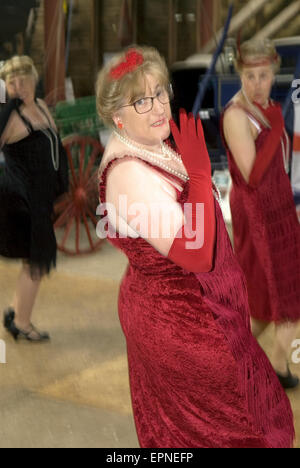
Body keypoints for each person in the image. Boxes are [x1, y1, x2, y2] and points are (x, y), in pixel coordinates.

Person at [97, 45, 295, 448]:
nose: (157, 107)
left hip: (196, 306)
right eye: (141, 100)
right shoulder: (127, 175)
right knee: (224, 427)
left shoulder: (150, 145)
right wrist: (202, 176)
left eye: (160, 92)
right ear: (117, 116)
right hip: (180, 320)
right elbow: (195, 252)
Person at [221, 39, 300, 389]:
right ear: (240, 74)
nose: (257, 84)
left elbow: (278, 168)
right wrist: (274, 125)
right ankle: (273, 366)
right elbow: (252, 174)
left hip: (279, 209)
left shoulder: (266, 107)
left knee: (270, 299)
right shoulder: (237, 114)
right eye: (250, 76)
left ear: (274, 74)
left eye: (264, 75)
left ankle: (239, 359)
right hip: (257, 215)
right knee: (281, 295)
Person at [0, 56, 69, 342]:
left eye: (24, 79)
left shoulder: (40, 106)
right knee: (36, 263)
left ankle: (17, 312)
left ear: (34, 78)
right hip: (22, 201)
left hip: (41, 198)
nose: (19, 86)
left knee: (34, 261)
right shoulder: (10, 116)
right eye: (12, 82)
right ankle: (23, 324)